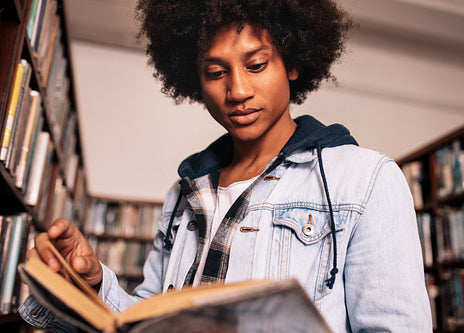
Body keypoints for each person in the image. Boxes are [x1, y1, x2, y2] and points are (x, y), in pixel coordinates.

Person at [20, 0, 432, 331]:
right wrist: (93, 283)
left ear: (291, 63)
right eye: (216, 72)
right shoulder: (182, 196)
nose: (237, 90)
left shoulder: (365, 180)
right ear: (194, 80)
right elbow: (151, 315)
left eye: (256, 65)